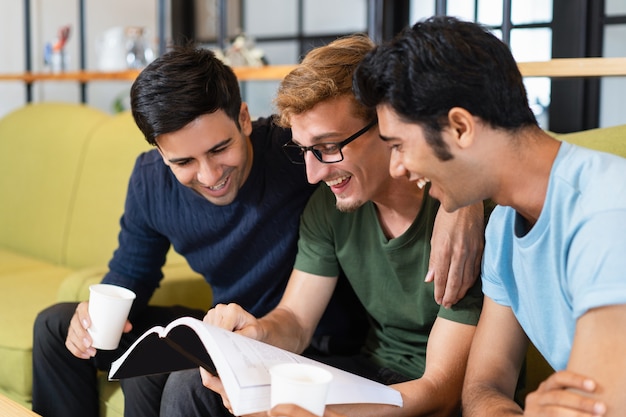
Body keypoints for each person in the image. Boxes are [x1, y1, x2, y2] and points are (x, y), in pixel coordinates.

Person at [32, 45, 482, 417]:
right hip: (244, 328)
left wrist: (464, 194)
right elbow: (132, 272)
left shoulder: (301, 153)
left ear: (244, 120)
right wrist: (95, 315)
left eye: (220, 149)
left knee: (180, 385)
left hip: (322, 345)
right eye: (183, 162)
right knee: (57, 325)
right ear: (160, 154)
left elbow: (422, 95)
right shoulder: (320, 184)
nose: (208, 175)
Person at [353, 15, 626, 416]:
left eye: (399, 145)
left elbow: (596, 407)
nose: (397, 168)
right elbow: (483, 385)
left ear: (460, 127)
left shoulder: (605, 210)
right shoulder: (502, 227)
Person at [200, 34, 485, 417]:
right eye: (303, 150)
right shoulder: (327, 209)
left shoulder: (467, 220)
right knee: (196, 387)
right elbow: (297, 323)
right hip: (372, 375)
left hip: (432, 396)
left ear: (387, 123)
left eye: (329, 146)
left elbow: (442, 392)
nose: (314, 174)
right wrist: (254, 336)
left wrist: (325, 414)